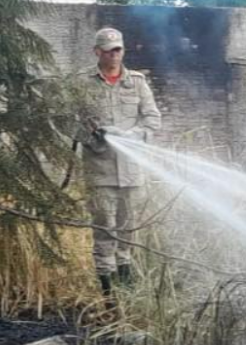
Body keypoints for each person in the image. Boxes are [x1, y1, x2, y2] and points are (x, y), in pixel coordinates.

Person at [77, 27, 161, 295]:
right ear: (97, 52)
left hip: (131, 171)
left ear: (123, 50)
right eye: (108, 50)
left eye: (118, 49)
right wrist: (95, 138)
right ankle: (108, 294)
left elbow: (153, 119)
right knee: (104, 231)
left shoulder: (136, 82)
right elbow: (69, 123)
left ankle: (127, 286)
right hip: (100, 172)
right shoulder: (83, 84)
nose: (114, 55)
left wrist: (131, 136)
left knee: (128, 229)